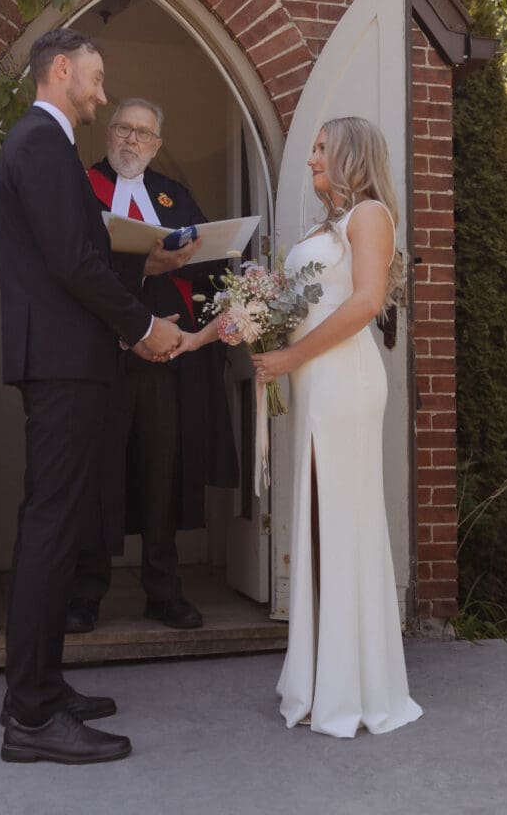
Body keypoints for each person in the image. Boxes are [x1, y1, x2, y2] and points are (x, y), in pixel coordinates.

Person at [171, 116, 423, 737]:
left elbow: (365, 303)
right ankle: (319, 678)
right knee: (317, 520)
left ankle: (352, 685)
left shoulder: (369, 216)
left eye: (319, 149)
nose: (310, 158)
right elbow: (275, 302)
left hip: (344, 381)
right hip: (315, 382)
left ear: (350, 156)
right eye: (311, 148)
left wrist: (288, 358)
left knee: (340, 522)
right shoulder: (324, 229)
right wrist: (196, 338)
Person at [0, 31, 182, 765]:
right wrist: (142, 328)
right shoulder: (40, 145)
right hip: (65, 364)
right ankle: (32, 717)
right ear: (62, 70)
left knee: (59, 522)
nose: (102, 96)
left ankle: (40, 685)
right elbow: (71, 261)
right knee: (50, 526)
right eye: (98, 80)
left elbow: (77, 250)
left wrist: (147, 263)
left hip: (70, 360)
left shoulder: (48, 146)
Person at [67, 98, 238, 633]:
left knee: (161, 472)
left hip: (162, 361)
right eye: (123, 129)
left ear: (157, 144)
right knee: (97, 475)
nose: (132, 141)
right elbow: (72, 266)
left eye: (143, 134)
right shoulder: (81, 187)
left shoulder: (173, 195)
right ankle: (85, 594)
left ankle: (163, 591)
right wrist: (141, 267)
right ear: (108, 134)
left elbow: (207, 263)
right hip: (100, 357)